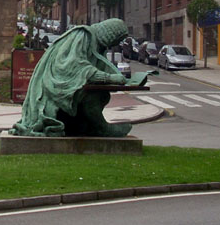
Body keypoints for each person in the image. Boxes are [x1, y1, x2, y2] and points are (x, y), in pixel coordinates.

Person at [9, 18, 147, 138]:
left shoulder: (95, 43)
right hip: (53, 85)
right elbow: (73, 65)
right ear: (110, 34)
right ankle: (100, 128)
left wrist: (120, 79)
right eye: (116, 40)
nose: (113, 45)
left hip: (58, 81)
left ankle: (90, 126)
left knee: (98, 94)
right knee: (90, 96)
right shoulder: (83, 35)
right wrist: (108, 78)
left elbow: (95, 65)